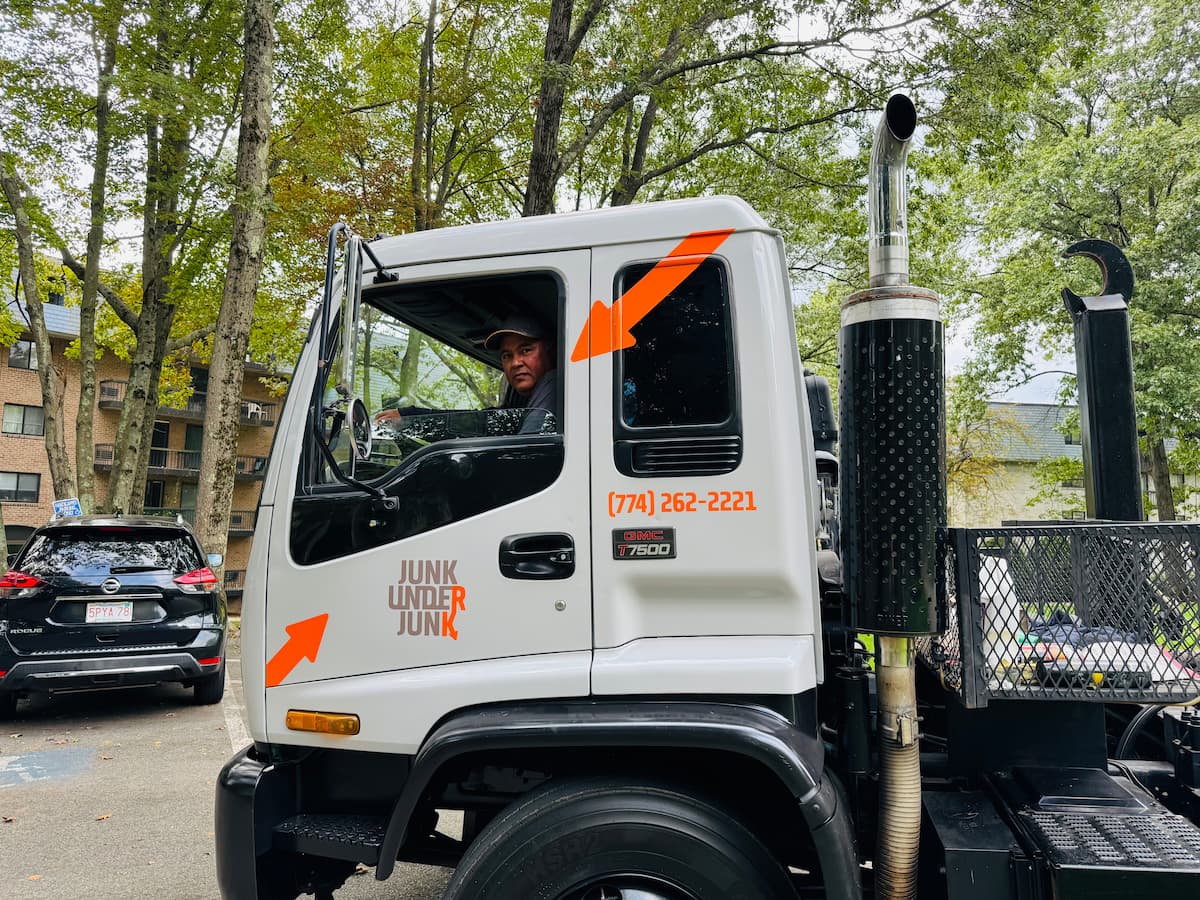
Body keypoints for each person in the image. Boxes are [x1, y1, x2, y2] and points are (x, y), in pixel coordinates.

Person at [374, 314, 560, 436]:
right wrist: (410, 417)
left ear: (550, 351)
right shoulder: (519, 404)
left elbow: (527, 453)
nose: (516, 362)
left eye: (526, 350)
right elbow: (480, 422)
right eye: (507, 356)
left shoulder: (554, 384)